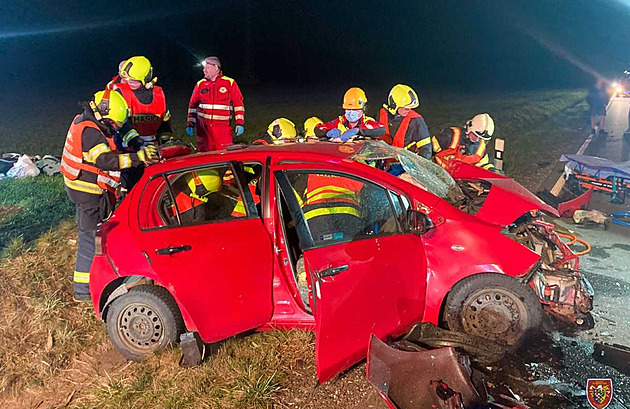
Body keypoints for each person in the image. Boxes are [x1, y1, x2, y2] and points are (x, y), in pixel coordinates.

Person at [60, 90, 158, 301]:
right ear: (103, 112)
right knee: (89, 237)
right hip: (87, 191)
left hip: (84, 186)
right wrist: (138, 157)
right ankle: (83, 290)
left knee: (97, 232)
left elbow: (124, 129)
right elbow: (105, 161)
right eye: (112, 123)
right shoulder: (91, 133)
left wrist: (139, 144)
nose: (114, 127)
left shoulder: (90, 119)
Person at [113, 56, 173, 189]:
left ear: (146, 79)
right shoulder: (120, 92)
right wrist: (139, 147)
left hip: (154, 155)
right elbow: (121, 126)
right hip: (129, 155)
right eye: (126, 79)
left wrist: (167, 143)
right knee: (131, 190)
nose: (128, 83)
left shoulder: (159, 94)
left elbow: (164, 123)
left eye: (133, 80)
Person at [186, 56, 245, 151]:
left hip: (222, 131)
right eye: (204, 68)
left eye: (207, 67)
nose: (204, 70)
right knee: (203, 159)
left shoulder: (229, 83)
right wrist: (190, 124)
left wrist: (239, 123)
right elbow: (192, 105)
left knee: (224, 158)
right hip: (204, 132)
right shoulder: (200, 84)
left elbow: (238, 104)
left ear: (216, 67)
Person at [378, 84, 432, 159]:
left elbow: (426, 150)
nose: (409, 110)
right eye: (406, 108)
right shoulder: (383, 115)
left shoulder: (416, 120)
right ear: (394, 105)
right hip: (384, 160)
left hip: (405, 162)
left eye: (410, 108)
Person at [314, 87, 385, 141]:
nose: (351, 112)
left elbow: (381, 129)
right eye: (348, 109)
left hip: (362, 159)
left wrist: (358, 130)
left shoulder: (367, 122)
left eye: (355, 109)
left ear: (363, 108)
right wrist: (327, 133)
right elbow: (318, 129)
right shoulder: (339, 122)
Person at [431, 113, 495, 170]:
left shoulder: (481, 149)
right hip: (437, 174)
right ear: (469, 128)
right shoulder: (450, 136)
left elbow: (483, 165)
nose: (477, 140)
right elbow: (428, 150)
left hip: (460, 180)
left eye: (480, 138)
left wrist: (492, 170)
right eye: (475, 135)